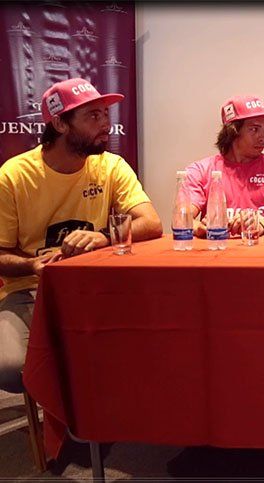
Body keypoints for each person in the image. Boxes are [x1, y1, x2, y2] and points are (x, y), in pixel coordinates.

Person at [0, 78, 162, 392]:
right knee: (10, 368)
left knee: (152, 345)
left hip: (96, 287)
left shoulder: (111, 166)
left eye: (106, 114)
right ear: (60, 124)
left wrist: (104, 236)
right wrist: (33, 265)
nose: (106, 124)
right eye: (93, 116)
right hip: (31, 291)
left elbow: (151, 223)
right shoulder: (13, 176)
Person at [184, 95, 264, 237]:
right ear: (232, 133)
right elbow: (183, 216)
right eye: (254, 129)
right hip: (220, 248)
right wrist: (200, 228)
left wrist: (260, 226)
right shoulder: (200, 170)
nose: (263, 137)